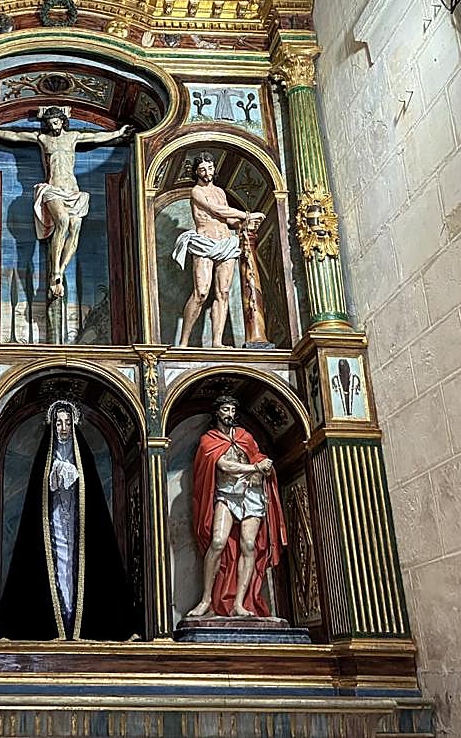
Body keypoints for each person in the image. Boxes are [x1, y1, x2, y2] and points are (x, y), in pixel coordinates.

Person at [0, 400, 139, 641]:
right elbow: (38, 498)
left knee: (78, 568)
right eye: (58, 422)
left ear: (74, 423)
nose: (63, 427)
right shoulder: (45, 457)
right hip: (54, 523)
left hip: (78, 529)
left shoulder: (83, 456)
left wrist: (75, 480)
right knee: (56, 566)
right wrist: (53, 480)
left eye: (67, 422)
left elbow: (92, 501)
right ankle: (54, 624)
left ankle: (83, 625)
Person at [0, 107, 132, 299]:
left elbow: (97, 138)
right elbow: (14, 136)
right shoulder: (43, 139)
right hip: (52, 189)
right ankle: (55, 270)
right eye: (49, 123)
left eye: (55, 122)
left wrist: (119, 133)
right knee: (62, 221)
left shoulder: (73, 137)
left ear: (62, 121)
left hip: (73, 191)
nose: (52, 126)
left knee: (75, 228)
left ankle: (60, 271)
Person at [187, 394, 286, 619]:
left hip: (250, 494)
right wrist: (255, 468)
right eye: (225, 410)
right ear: (217, 412)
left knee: (249, 545)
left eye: (232, 410)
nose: (230, 414)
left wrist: (265, 465)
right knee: (218, 541)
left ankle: (239, 604)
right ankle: (206, 600)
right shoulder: (208, 440)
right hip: (227, 494)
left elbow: (256, 455)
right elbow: (223, 465)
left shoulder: (244, 436)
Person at [173, 152, 264, 347]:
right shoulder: (196, 191)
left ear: (214, 168)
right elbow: (216, 210)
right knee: (201, 293)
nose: (207, 172)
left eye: (210, 168)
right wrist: (247, 215)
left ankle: (217, 342)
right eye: (202, 169)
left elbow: (227, 219)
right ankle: (184, 341)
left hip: (226, 243)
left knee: (223, 292)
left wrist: (240, 225)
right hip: (205, 243)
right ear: (197, 172)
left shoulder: (221, 192)